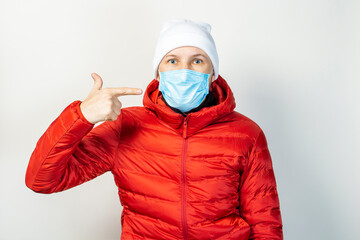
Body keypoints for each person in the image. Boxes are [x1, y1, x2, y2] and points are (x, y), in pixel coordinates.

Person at [25, 19, 283, 240]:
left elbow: (264, 221)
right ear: (158, 73)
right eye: (172, 60)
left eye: (197, 60)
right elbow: (41, 181)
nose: (184, 71)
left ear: (213, 72)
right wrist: (81, 116)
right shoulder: (125, 126)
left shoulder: (245, 133)